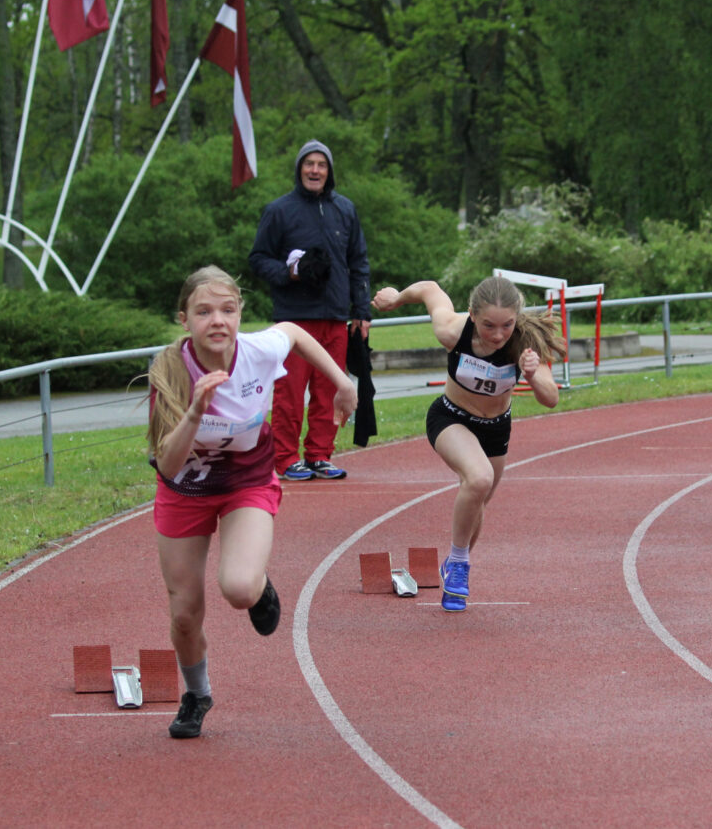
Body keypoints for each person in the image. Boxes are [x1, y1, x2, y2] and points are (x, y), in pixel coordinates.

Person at [145, 266, 357, 738]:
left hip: (247, 481)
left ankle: (261, 588)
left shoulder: (257, 351)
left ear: (241, 314)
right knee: (184, 613)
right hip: (186, 489)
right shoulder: (171, 375)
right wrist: (196, 410)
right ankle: (197, 694)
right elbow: (168, 463)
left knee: (239, 588)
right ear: (184, 319)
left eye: (228, 309)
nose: (217, 320)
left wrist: (341, 381)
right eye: (204, 312)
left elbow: (296, 332)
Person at [371, 276, 567, 612]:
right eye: (489, 325)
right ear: (473, 316)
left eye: (507, 325)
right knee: (478, 478)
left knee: (478, 501)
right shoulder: (452, 330)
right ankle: (460, 563)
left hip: (495, 430)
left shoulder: (524, 343)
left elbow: (550, 399)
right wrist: (396, 299)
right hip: (451, 418)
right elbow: (430, 289)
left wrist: (534, 375)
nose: (498, 335)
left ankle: (454, 566)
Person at [248, 139, 372, 481]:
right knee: (288, 394)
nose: (314, 170)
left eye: (321, 164)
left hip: (335, 316)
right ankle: (285, 459)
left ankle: (319, 454)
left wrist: (362, 310)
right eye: (309, 164)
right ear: (299, 168)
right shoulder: (279, 210)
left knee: (329, 390)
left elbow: (358, 261)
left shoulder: (345, 209)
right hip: (294, 320)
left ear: (329, 171)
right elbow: (258, 260)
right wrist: (290, 272)